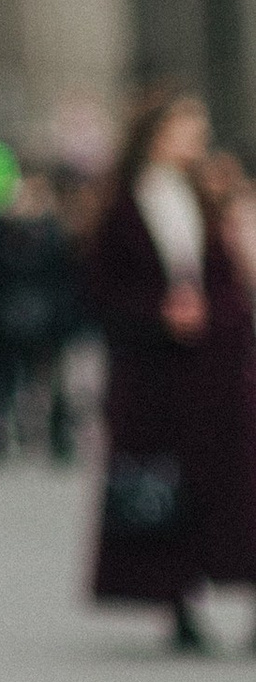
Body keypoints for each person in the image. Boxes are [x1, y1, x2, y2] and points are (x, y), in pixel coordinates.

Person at [85, 88, 256, 651]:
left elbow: (228, 282)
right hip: (152, 376)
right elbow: (102, 291)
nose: (199, 138)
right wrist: (158, 313)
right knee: (166, 487)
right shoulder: (125, 207)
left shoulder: (204, 197)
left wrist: (210, 313)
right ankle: (176, 600)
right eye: (190, 126)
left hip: (214, 374)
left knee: (234, 487)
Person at [0, 148, 79, 466]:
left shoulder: (47, 226)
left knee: (43, 377)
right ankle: (3, 428)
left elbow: (62, 268)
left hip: (40, 314)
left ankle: (45, 429)